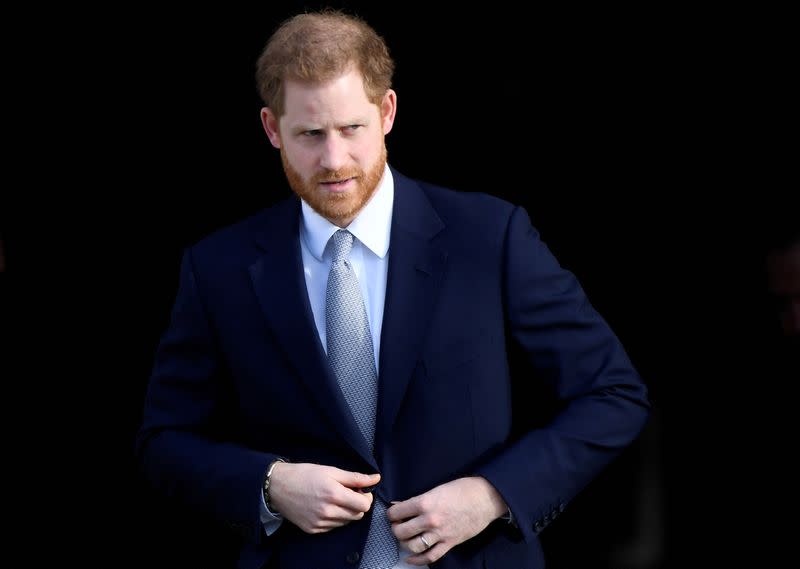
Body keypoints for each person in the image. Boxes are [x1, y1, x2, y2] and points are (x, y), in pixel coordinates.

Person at [135, 9, 651, 569]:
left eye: (351, 128)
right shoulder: (218, 268)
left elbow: (612, 395)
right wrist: (269, 484)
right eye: (309, 134)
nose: (334, 161)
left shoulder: (489, 238)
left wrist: (492, 495)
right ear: (270, 128)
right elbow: (164, 441)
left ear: (387, 112)